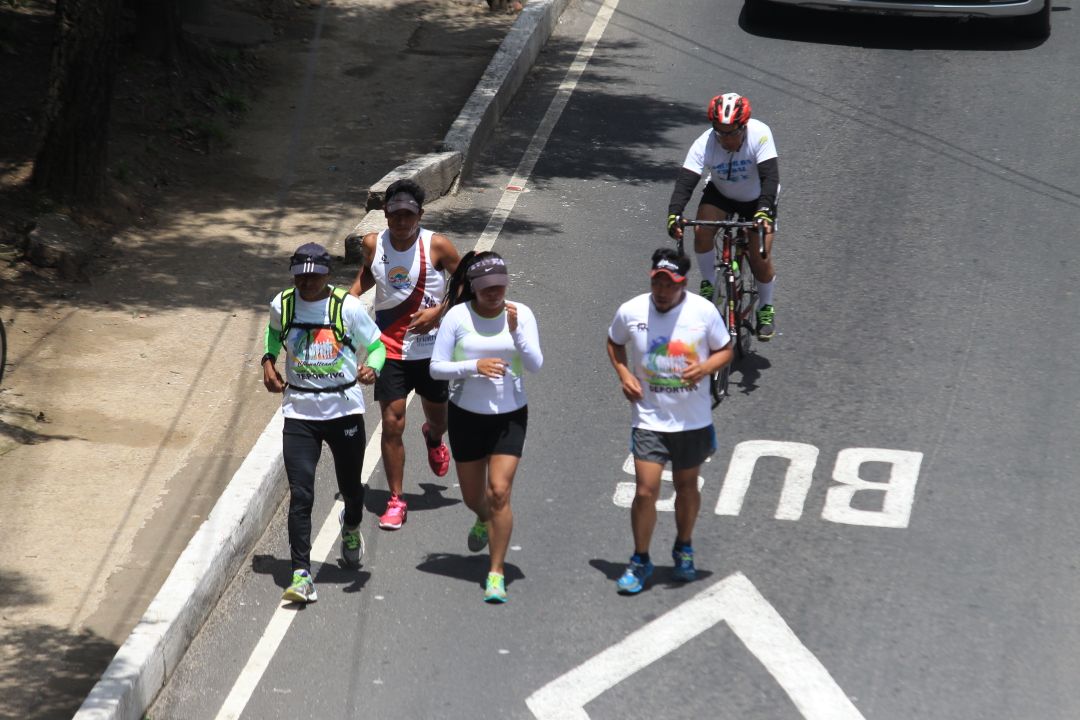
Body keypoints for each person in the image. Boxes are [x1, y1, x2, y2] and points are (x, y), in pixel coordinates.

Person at [262, 242, 386, 603]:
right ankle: (301, 573)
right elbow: (273, 332)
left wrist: (372, 368)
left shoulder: (346, 308)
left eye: (314, 275)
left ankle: (350, 526)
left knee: (352, 488)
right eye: (300, 275)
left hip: (344, 410)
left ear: (327, 275)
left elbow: (377, 346)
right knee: (301, 494)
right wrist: (268, 361)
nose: (306, 282)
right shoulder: (283, 304)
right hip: (299, 412)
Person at [606, 248, 733, 595]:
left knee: (686, 488)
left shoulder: (703, 312)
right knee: (645, 491)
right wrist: (623, 373)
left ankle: (684, 547)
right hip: (648, 419)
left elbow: (725, 349)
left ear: (683, 283)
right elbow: (614, 342)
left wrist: (706, 367)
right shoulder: (631, 311)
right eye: (658, 283)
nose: (662, 291)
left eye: (670, 285)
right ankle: (641, 559)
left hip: (692, 421)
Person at [430, 252, 543, 603]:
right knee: (473, 497)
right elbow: (436, 368)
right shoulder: (457, 317)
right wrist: (473, 366)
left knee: (498, 492)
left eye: (500, 285)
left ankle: (496, 572)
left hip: (510, 415)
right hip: (466, 415)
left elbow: (536, 364)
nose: (495, 293)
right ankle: (482, 518)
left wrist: (517, 334)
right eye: (487, 287)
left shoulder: (520, 314)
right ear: (476, 288)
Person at [348, 178, 461, 531]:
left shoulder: (438, 246)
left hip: (431, 352)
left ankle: (434, 436)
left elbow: (465, 284)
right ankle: (396, 499)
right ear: (385, 214)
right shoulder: (372, 244)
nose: (400, 222)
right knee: (393, 423)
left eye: (408, 215)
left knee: (439, 418)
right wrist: (346, 305)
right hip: (390, 350)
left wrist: (438, 313)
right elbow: (369, 275)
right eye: (394, 214)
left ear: (420, 214)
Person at [666, 92, 780, 340]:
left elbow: (770, 178)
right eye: (720, 132)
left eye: (732, 132)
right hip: (722, 193)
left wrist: (764, 211)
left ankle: (766, 307)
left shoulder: (760, 134)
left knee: (759, 254)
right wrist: (674, 214)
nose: (725, 139)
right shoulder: (705, 143)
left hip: (757, 198)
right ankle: (709, 282)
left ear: (744, 125)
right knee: (701, 230)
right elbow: (686, 182)